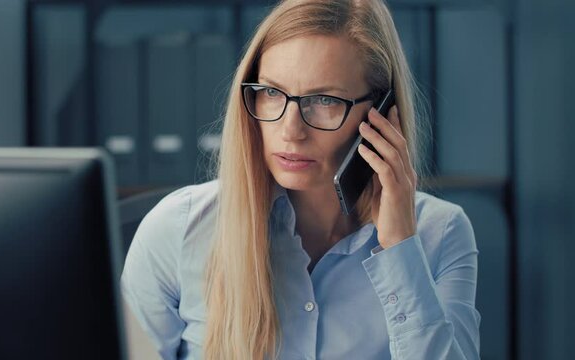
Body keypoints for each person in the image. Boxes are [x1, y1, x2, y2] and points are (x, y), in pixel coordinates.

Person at [120, 0, 481, 358]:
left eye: (324, 100)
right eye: (272, 93)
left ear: (382, 112)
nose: (291, 130)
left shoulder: (440, 233)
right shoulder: (178, 228)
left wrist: (401, 249)